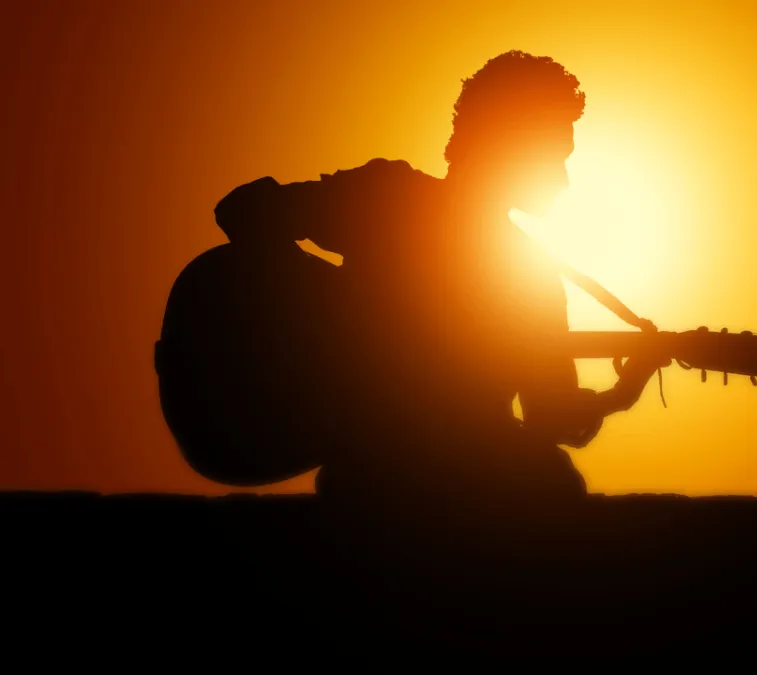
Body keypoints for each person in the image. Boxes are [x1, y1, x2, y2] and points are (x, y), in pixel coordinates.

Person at [157, 51, 669, 517]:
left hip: (445, 473)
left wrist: (623, 391)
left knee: (550, 483)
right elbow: (242, 211)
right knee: (553, 490)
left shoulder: (531, 276)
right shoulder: (391, 199)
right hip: (377, 471)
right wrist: (307, 324)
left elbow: (554, 420)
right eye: (553, 155)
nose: (563, 179)